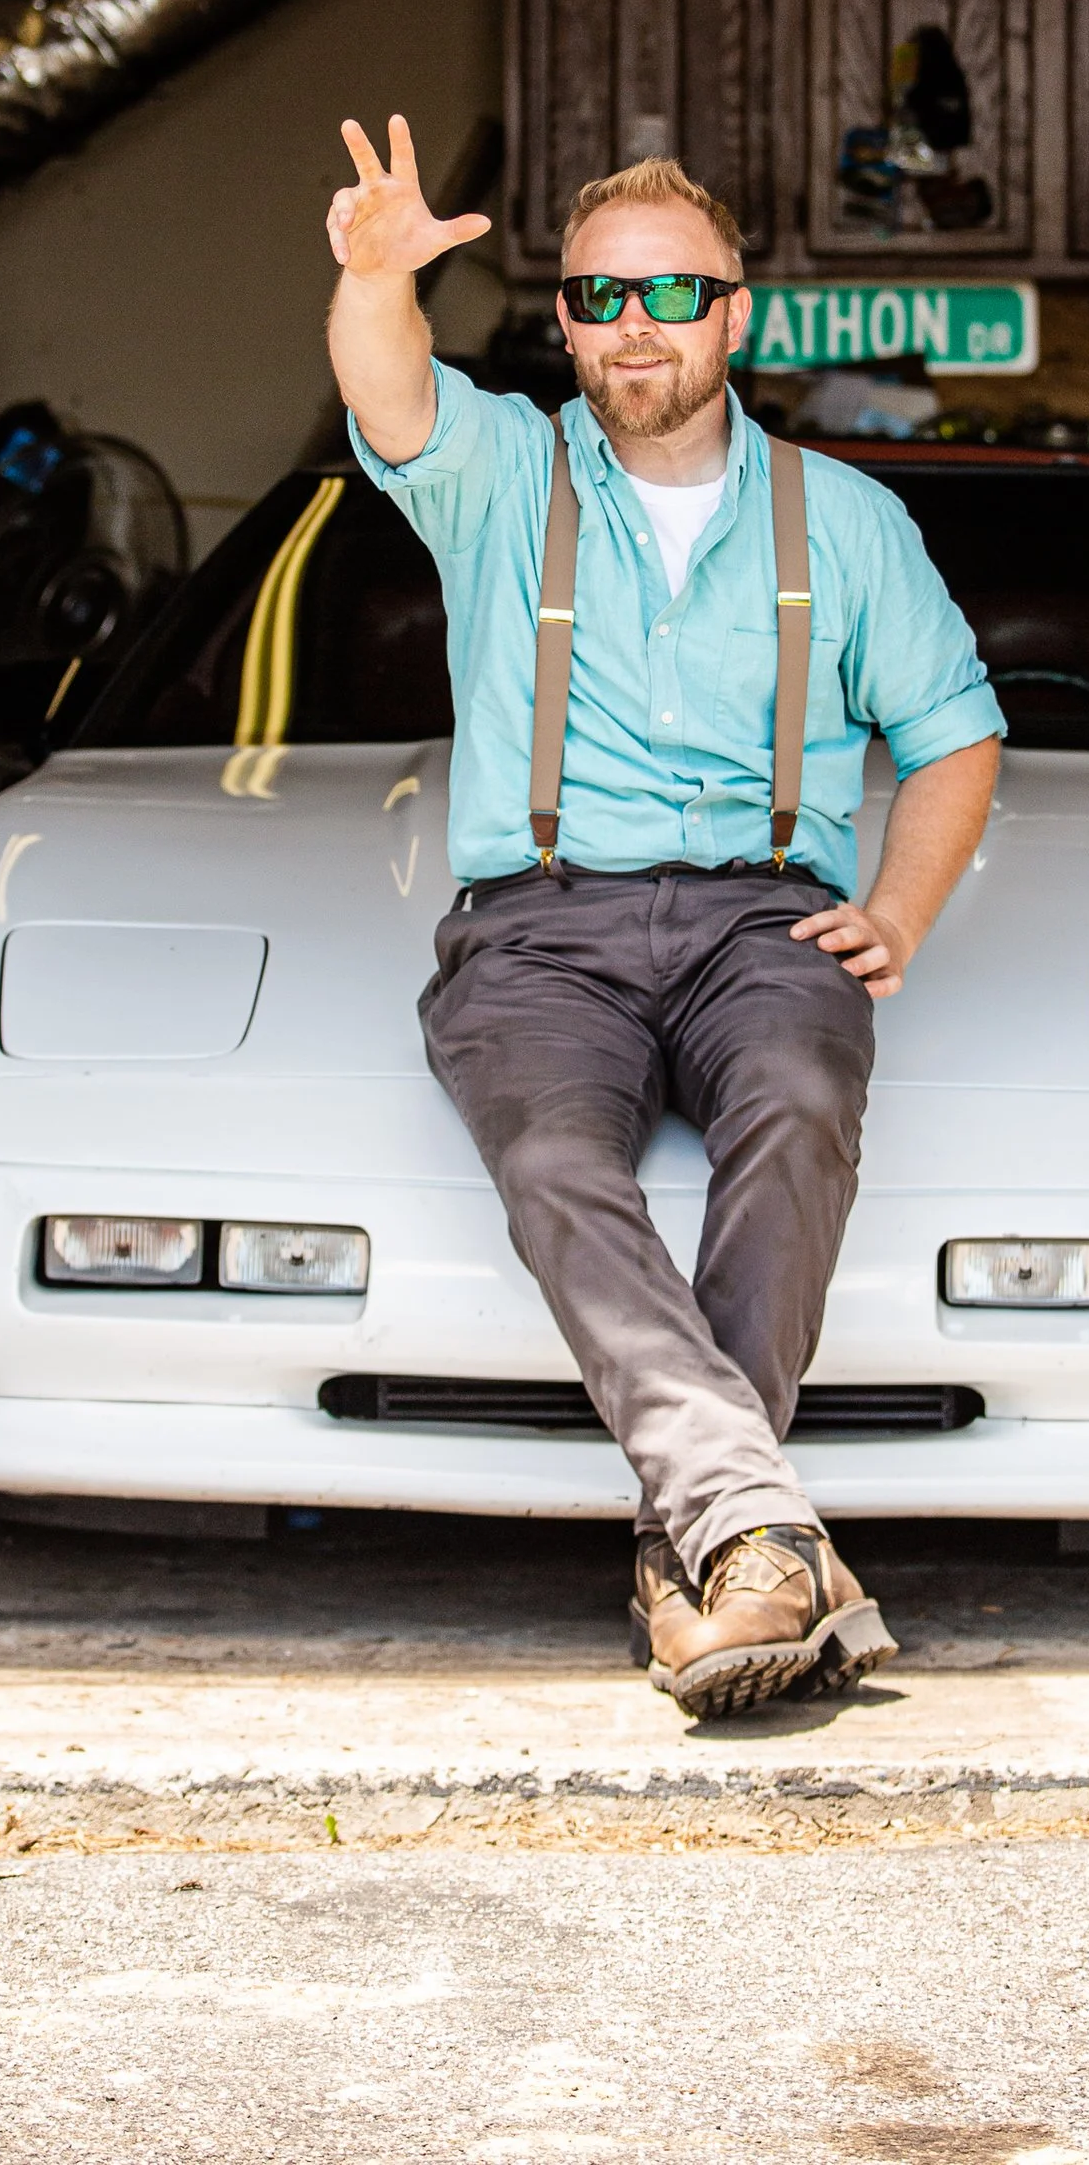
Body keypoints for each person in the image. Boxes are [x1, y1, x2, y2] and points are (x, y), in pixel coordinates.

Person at [325, 115, 1002, 1717]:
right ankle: (752, 1530)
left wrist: (897, 909)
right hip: (541, 925)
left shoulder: (843, 518)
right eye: (599, 297)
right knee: (556, 1153)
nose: (637, 325)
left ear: (735, 312)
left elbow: (955, 730)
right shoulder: (502, 472)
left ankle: (706, 1537)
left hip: (766, 917)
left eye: (672, 294)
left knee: (800, 1097)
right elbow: (388, 385)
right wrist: (371, 276)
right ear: (561, 322)